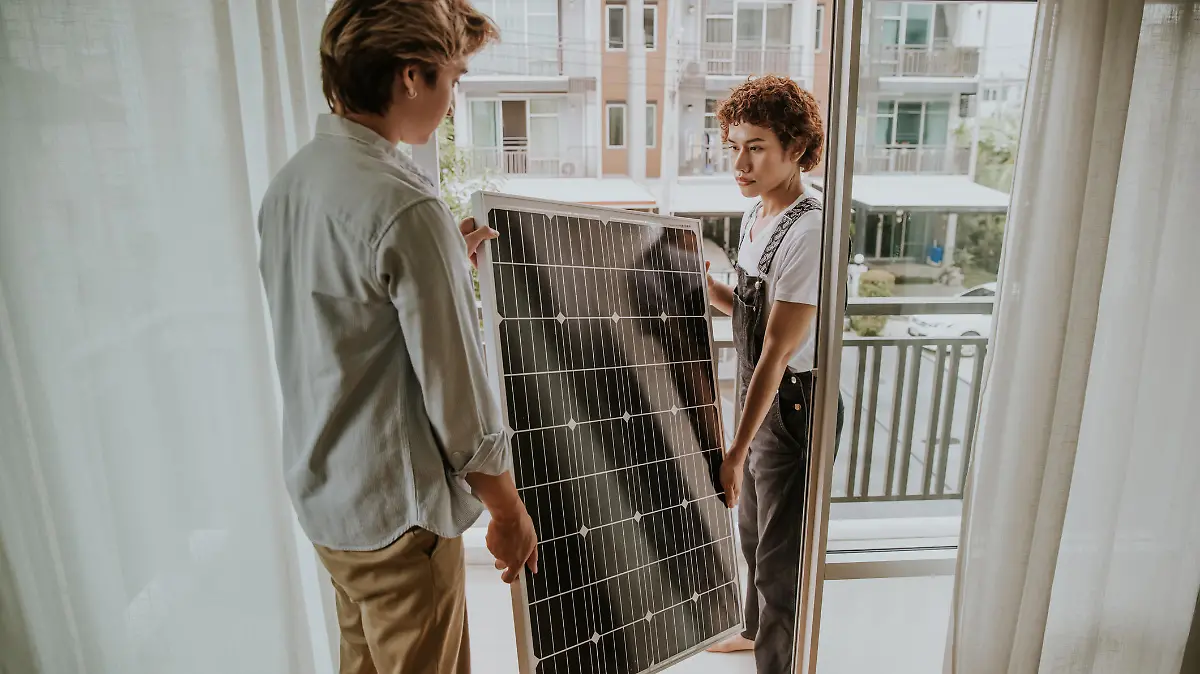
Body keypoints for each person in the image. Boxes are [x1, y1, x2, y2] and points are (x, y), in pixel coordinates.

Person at [256, 2, 537, 672]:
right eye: (453, 79)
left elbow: (342, 314)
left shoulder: (292, 184)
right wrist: (506, 511)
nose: (452, 99)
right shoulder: (405, 206)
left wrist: (441, 267)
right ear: (411, 77)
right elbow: (460, 405)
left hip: (331, 504)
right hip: (397, 517)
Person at [703, 75, 845, 673]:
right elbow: (752, 314)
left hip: (793, 406)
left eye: (756, 146)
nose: (740, 162)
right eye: (733, 144)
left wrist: (734, 451)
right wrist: (702, 286)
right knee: (752, 533)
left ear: (796, 148)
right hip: (763, 401)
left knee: (780, 557)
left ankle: (777, 665)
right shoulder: (757, 215)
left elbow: (777, 351)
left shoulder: (811, 228)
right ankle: (752, 629)